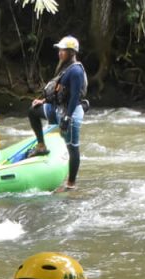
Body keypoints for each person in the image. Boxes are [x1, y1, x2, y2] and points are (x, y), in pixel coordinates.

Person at [28, 36, 87, 190]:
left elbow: (74, 96)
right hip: (57, 108)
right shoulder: (65, 67)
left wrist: (67, 117)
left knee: (72, 148)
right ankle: (41, 146)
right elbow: (58, 90)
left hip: (70, 112)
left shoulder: (76, 71)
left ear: (72, 52)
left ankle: (71, 184)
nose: (60, 53)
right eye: (60, 50)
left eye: (63, 50)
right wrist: (43, 101)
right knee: (33, 112)